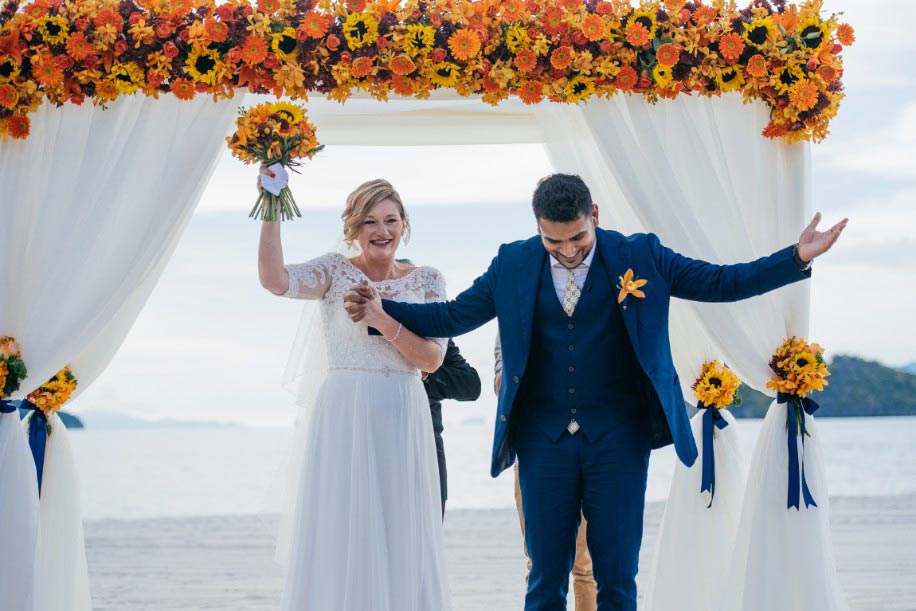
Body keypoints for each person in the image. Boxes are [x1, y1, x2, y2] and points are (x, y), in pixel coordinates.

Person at [344, 173, 846, 610]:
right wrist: (381, 312)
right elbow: (453, 315)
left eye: (578, 238)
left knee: (617, 578)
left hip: (619, 440)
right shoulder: (513, 262)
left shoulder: (641, 254)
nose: (567, 251)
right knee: (545, 579)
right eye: (553, 241)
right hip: (542, 440)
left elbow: (721, 283)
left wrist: (795, 257)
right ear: (537, 227)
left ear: (596, 217)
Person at [258, 169, 452, 610]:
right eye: (369, 221)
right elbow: (274, 280)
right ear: (353, 229)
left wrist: (380, 318)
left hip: (402, 411)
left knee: (403, 524)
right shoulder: (333, 271)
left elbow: (431, 360)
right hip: (345, 411)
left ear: (404, 224)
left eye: (390, 220)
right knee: (343, 522)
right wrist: (271, 206)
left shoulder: (427, 281)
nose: (382, 231)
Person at [496, 334, 597, 610]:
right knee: (539, 563)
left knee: (585, 564)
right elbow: (501, 386)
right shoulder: (512, 321)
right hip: (536, 453)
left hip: (589, 449)